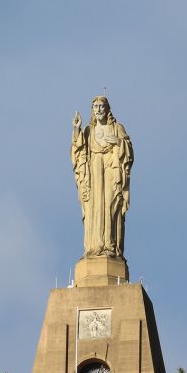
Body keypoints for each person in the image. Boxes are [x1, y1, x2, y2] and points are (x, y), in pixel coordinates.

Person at [71, 96, 133, 258]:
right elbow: (78, 152)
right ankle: (94, 247)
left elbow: (129, 151)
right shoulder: (87, 131)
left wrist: (119, 142)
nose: (98, 109)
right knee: (94, 207)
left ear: (107, 109)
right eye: (95, 106)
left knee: (111, 205)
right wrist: (76, 129)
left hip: (112, 170)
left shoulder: (117, 128)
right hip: (93, 172)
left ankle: (110, 246)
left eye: (101, 106)